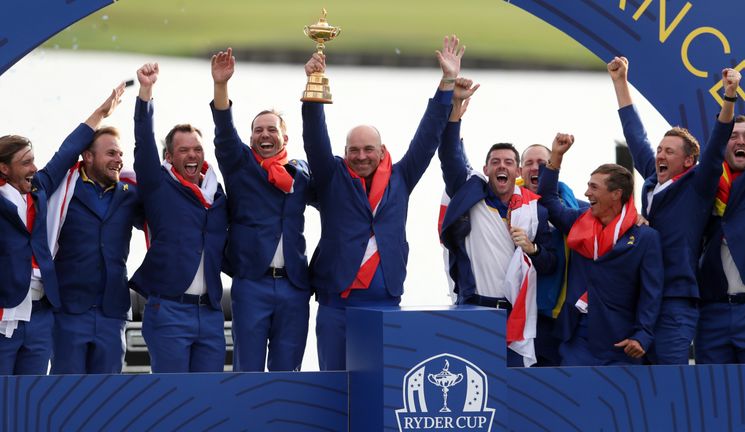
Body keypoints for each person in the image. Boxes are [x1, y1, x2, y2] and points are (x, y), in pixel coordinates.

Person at [302, 35, 463, 371]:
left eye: (368, 150)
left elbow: (427, 137)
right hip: (336, 304)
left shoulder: (401, 177)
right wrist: (313, 88)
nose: (361, 156)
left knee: (381, 390)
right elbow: (315, 139)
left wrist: (447, 83)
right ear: (345, 153)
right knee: (333, 387)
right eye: (354, 150)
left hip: (385, 302)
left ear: (381, 150)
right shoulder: (332, 177)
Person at [607, 57, 739, 365]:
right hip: (643, 297)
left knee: (670, 380)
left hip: (676, 300)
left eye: (669, 151)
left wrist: (729, 96)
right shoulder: (653, 180)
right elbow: (636, 135)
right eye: (659, 150)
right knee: (637, 381)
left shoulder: (698, 185)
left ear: (689, 161)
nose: (660, 155)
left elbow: (719, 139)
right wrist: (620, 82)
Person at [0, 83, 125, 375]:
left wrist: (100, 113)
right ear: (4, 169)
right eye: (26, 162)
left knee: (33, 398)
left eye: (33, 160)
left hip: (41, 314)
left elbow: (68, 151)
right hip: (5, 312)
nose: (34, 167)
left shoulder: (39, 190)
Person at [438, 78, 556, 367]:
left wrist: (533, 249)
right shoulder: (470, 194)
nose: (501, 166)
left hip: (518, 315)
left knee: (514, 394)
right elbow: (449, 155)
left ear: (516, 170)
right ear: (486, 168)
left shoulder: (533, 208)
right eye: (495, 161)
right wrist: (455, 111)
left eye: (508, 162)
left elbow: (551, 264)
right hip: (473, 311)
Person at [210, 48, 314, 372]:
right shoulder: (240, 166)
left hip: (294, 287)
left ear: (285, 137)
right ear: (251, 137)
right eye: (258, 130)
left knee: (289, 375)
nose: (265, 134)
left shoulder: (301, 174)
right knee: (248, 373)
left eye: (271, 130)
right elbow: (225, 133)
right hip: (252, 283)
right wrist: (221, 86)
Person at [131, 62, 228, 373]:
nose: (192, 156)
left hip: (211, 314)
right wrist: (146, 93)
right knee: (173, 400)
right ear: (169, 158)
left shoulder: (217, 194)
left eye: (197, 149)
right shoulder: (158, 186)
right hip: (169, 310)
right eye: (183, 151)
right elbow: (144, 144)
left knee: (207, 400)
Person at [538, 134, 663, 366]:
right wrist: (556, 157)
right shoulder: (578, 221)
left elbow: (651, 293)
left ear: (616, 195)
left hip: (621, 341)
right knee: (573, 400)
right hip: (576, 337)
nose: (586, 194)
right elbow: (547, 200)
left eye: (594, 188)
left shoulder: (645, 237)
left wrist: (642, 335)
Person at [49, 122, 143, 375]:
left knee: (106, 398)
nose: (118, 160)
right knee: (66, 396)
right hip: (69, 310)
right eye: (111, 153)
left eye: (120, 154)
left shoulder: (130, 194)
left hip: (112, 312)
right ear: (88, 156)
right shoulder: (63, 190)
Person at [696, 104, 745, 362]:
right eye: (733, 136)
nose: (741, 141)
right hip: (713, 309)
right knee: (713, 395)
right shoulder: (705, 180)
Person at [520, 144, 588, 366]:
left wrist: (636, 219)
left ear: (554, 168)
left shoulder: (580, 210)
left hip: (563, 317)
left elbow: (616, 219)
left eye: (542, 163)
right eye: (528, 163)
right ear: (520, 171)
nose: (535, 168)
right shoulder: (505, 207)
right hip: (521, 314)